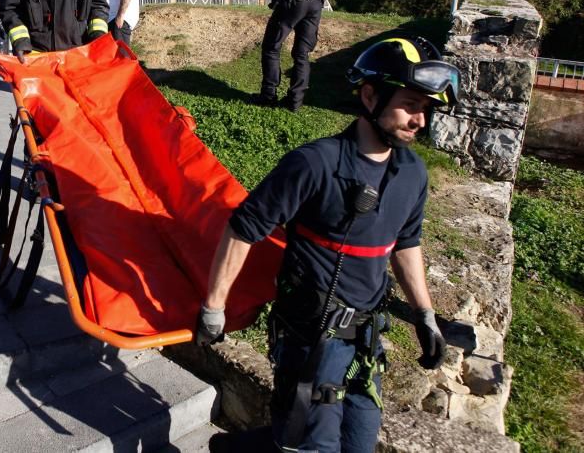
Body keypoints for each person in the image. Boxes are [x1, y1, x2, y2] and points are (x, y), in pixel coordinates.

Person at [197, 36, 459, 453]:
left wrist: (425, 315)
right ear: (370, 95)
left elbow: (406, 243)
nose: (420, 121)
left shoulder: (413, 173)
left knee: (359, 443)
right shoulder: (314, 163)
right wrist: (214, 308)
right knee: (307, 446)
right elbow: (244, 228)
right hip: (308, 342)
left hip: (365, 345)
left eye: (425, 109)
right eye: (410, 105)